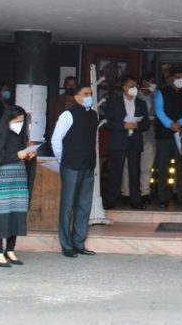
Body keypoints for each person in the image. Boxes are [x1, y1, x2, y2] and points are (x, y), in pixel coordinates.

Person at [0, 105, 36, 267]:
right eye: (16, 121)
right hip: (4, 179)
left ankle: (10, 250)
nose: (19, 124)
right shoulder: (0, 135)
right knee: (2, 215)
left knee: (17, 213)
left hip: (19, 178)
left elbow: (24, 156)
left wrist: (29, 154)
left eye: (22, 121)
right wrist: (16, 155)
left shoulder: (22, 137)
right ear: (8, 121)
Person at [52, 84, 99, 258]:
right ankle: (66, 244)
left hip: (88, 164)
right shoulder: (68, 114)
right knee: (67, 206)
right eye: (86, 94)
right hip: (71, 165)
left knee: (84, 206)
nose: (89, 96)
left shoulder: (93, 115)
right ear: (77, 97)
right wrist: (62, 160)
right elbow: (56, 139)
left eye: (91, 94)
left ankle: (79, 243)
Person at [103, 76, 150, 210]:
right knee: (115, 172)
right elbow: (108, 122)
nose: (134, 88)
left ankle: (136, 200)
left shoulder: (141, 103)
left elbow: (146, 123)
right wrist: (123, 126)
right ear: (124, 88)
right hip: (118, 141)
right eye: (131, 86)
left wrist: (137, 126)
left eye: (136, 86)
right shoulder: (114, 102)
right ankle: (111, 200)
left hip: (134, 141)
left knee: (135, 172)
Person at [153, 66, 182, 208]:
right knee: (163, 166)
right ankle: (163, 198)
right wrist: (170, 124)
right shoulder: (161, 92)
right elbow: (159, 111)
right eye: (177, 77)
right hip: (164, 135)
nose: (180, 80)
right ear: (170, 78)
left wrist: (180, 123)